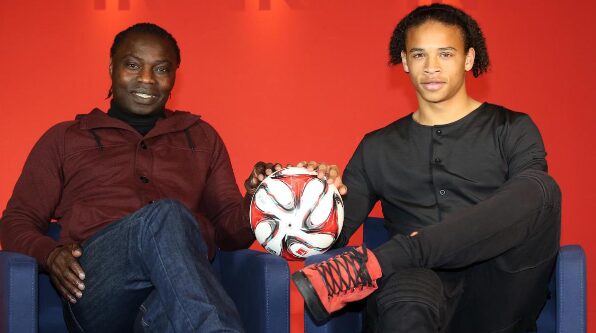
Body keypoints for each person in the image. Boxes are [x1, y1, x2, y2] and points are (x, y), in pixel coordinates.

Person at [0, 23, 338, 333]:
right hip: (96, 290)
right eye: (133, 65)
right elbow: (15, 221)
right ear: (111, 69)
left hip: (172, 295)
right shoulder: (66, 138)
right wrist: (51, 253)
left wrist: (258, 198)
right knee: (168, 214)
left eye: (161, 69)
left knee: (175, 310)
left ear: (174, 77)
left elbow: (228, 233)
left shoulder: (201, 137)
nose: (147, 79)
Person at [292, 4, 561, 333]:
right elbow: (330, 240)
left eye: (445, 54)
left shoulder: (512, 128)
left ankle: (389, 258)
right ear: (405, 61)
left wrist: (396, 256)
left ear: (468, 59)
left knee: (544, 189)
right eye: (420, 55)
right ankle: (394, 263)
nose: (431, 67)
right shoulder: (376, 146)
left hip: (498, 297)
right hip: (413, 296)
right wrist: (308, 198)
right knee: (408, 292)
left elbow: (531, 204)